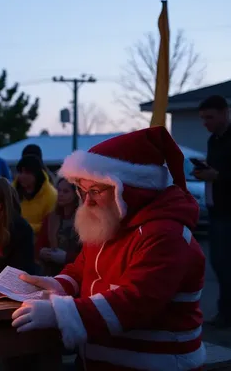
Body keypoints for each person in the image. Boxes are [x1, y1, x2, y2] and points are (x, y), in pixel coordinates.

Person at [11, 127, 206, 370]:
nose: (88, 201)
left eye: (95, 191)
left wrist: (59, 312)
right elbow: (82, 268)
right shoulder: (113, 220)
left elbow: (137, 301)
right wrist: (59, 284)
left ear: (129, 190)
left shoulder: (166, 234)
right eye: (82, 191)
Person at [193, 95, 231, 327]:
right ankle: (225, 313)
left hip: (228, 211)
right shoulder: (213, 141)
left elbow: (222, 174)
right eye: (202, 118)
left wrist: (217, 176)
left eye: (210, 117)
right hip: (217, 210)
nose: (205, 122)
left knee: (226, 263)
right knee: (220, 264)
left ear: (225, 113)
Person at [35, 177, 80, 276]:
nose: (61, 194)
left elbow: (88, 256)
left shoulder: (83, 220)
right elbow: (39, 245)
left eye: (66, 191)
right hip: (51, 273)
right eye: (59, 190)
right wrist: (42, 251)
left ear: (76, 194)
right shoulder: (51, 218)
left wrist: (66, 257)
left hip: (74, 273)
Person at [13, 154, 57, 234]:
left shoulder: (51, 195)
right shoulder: (12, 191)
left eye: (27, 172)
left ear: (37, 174)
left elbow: (49, 225)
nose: (22, 176)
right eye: (20, 172)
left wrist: (24, 227)